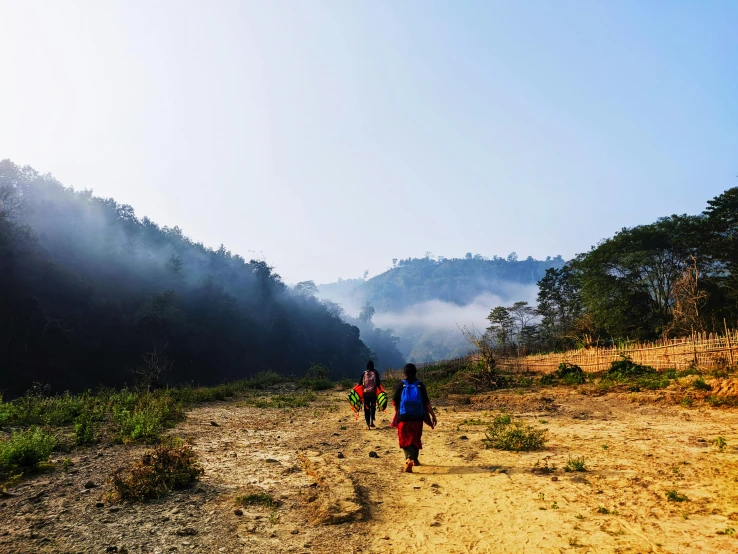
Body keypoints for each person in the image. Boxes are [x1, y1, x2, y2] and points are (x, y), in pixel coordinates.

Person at [392, 363, 437, 473]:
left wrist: (397, 412)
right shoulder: (420, 385)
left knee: (404, 438)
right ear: (415, 372)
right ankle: (415, 459)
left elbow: (394, 401)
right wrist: (433, 415)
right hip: (417, 417)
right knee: (415, 438)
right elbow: (426, 403)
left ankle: (408, 459)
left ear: (404, 373)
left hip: (404, 417)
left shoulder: (401, 385)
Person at [358, 360, 381, 430]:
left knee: (367, 409)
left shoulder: (364, 373)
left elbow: (360, 383)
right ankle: (372, 421)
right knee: (373, 407)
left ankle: (368, 425)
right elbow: (378, 383)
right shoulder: (376, 373)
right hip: (373, 394)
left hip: (366, 394)